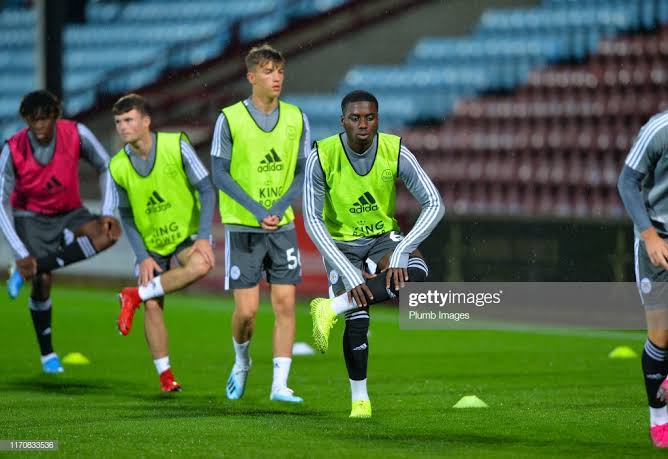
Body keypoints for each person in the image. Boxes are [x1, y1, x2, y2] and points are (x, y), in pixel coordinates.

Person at [304, 90, 444, 418]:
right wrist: (348, 271)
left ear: (378, 119)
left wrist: (402, 250)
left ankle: (330, 307)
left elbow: (435, 203)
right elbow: (312, 220)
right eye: (355, 118)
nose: (363, 124)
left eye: (370, 117)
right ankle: (360, 400)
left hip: (383, 237)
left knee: (416, 274)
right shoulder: (321, 156)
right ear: (343, 121)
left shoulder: (395, 151)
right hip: (341, 244)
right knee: (359, 318)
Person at [210, 44, 309, 403]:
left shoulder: (297, 117)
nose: (277, 77)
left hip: (282, 225)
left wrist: (279, 207)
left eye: (280, 71)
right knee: (247, 312)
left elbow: (303, 171)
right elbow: (219, 173)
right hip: (244, 226)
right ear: (251, 77)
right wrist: (255, 210)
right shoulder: (230, 118)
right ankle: (242, 361)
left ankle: (280, 385)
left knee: (285, 305)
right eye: (268, 72)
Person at [0, 90, 120, 373]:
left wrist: (107, 211)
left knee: (109, 233)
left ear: (55, 117)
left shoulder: (76, 133)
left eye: (45, 119)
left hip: (70, 213)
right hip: (31, 218)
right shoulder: (12, 149)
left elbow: (107, 165)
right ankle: (47, 355)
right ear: (26, 120)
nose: (40, 126)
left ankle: (31, 267)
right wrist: (20, 251)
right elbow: (1, 203)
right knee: (42, 282)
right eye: (34, 120)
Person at [110, 94, 215, 392]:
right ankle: (166, 376)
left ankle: (134, 294)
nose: (123, 127)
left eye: (129, 120)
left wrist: (204, 237)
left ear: (146, 121)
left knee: (202, 265)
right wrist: (142, 255)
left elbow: (207, 189)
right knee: (154, 306)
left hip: (185, 236)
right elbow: (126, 215)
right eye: (118, 122)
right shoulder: (118, 166)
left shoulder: (176, 144)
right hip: (150, 245)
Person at [618, 109, 668, 447]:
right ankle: (659, 416)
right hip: (657, 240)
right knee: (661, 335)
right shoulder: (659, 129)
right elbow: (626, 182)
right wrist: (649, 236)